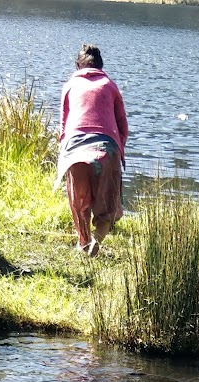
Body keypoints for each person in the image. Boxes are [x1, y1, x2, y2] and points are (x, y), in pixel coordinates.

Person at [57, 45, 128, 258]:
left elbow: (63, 127)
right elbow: (123, 127)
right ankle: (96, 242)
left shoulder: (69, 85)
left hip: (76, 148)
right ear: (101, 66)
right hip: (105, 148)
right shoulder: (110, 85)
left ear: (77, 66)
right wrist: (118, 155)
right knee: (108, 205)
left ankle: (83, 242)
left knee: (80, 203)